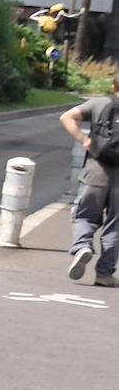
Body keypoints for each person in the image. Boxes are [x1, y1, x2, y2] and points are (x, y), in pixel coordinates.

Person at [64, 87, 119, 286]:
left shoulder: (100, 103)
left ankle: (82, 247)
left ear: (114, 87)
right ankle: (104, 274)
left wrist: (85, 140)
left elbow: (67, 117)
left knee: (84, 215)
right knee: (115, 225)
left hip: (96, 171)